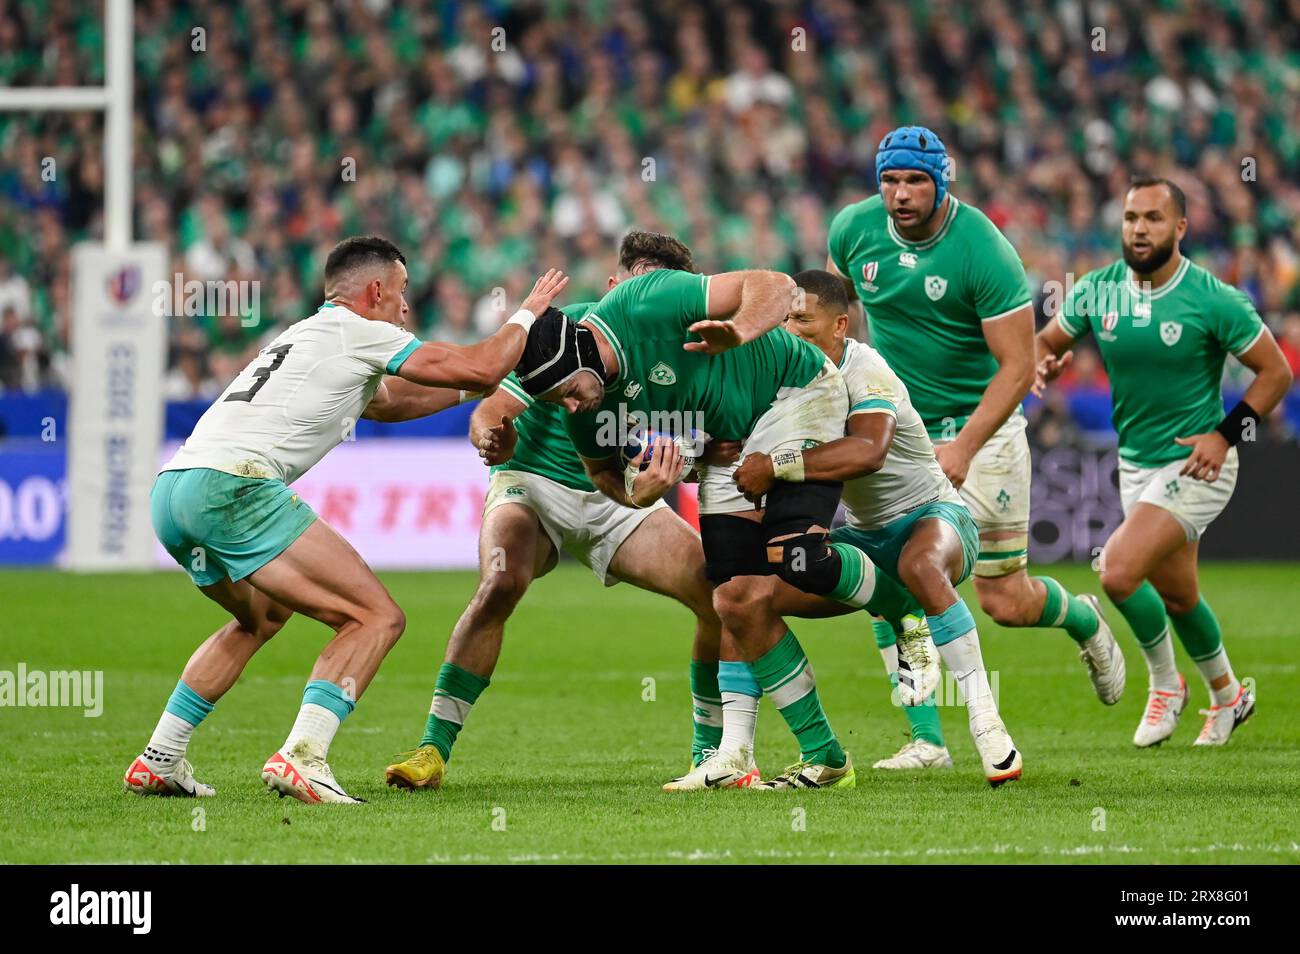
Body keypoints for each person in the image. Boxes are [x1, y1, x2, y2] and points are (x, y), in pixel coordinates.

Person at [123, 235, 568, 803]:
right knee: (375, 617)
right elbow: (481, 364)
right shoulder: (359, 331)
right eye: (402, 292)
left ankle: (161, 755)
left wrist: (483, 382)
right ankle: (303, 756)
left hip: (175, 489)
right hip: (233, 486)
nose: (406, 307)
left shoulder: (308, 335)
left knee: (260, 617)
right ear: (375, 291)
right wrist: (528, 315)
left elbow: (393, 402)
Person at [516, 232, 882, 790]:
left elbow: (778, 286)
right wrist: (639, 495)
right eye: (557, 402)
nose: (569, 407)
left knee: (784, 567)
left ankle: (896, 592)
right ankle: (785, 756)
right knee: (733, 599)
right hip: (728, 439)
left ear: (582, 354)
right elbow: (602, 475)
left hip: (796, 392)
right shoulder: (583, 411)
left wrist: (740, 328)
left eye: (568, 391)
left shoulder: (645, 299)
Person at [384, 233, 737, 791]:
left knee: (720, 595)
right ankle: (433, 746)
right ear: (615, 287)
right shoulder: (569, 334)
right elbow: (492, 410)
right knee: (501, 582)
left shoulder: (694, 349)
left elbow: (704, 442)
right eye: (631, 284)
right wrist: (490, 440)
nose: (638, 298)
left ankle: (710, 752)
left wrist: (679, 468)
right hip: (534, 484)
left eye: (657, 290)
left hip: (617, 499)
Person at [826, 126, 1124, 769]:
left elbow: (1018, 367)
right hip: (897, 431)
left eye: (914, 181)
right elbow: (830, 324)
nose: (900, 195)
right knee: (888, 576)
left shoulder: (983, 249)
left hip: (978, 430)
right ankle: (927, 738)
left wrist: (963, 444)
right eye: (889, 180)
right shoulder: (853, 231)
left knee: (1004, 601)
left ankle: (1084, 620)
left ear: (942, 183)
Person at [684, 269, 1023, 787]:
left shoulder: (866, 369)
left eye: (803, 319)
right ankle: (760, 754)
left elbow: (869, 451)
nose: (791, 330)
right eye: (783, 319)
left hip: (933, 517)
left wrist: (776, 463)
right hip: (864, 543)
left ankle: (987, 722)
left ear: (841, 325)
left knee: (917, 564)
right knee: (741, 598)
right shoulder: (778, 376)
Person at [1035, 175, 1293, 746]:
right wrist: (1042, 363)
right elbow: (1046, 342)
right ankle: (1229, 695)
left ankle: (1164, 685)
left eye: (1152, 218)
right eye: (1130, 218)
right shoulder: (1095, 290)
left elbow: (1277, 374)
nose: (1139, 228)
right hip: (1136, 463)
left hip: (1199, 462)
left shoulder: (1213, 298)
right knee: (1178, 595)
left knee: (1119, 569)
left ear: (1180, 227)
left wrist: (1226, 436)